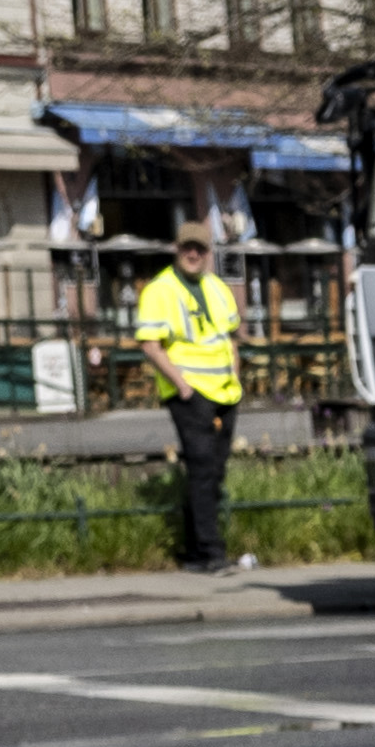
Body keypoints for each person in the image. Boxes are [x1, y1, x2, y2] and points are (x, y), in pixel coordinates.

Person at [133, 242, 244, 570]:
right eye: (187, 249)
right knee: (202, 467)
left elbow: (231, 338)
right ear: (177, 251)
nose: (193, 255)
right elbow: (150, 344)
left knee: (215, 470)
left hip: (224, 393)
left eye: (200, 249)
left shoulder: (217, 286)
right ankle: (211, 551)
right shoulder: (159, 289)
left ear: (208, 253)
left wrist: (235, 378)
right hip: (190, 393)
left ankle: (196, 550)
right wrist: (182, 385)